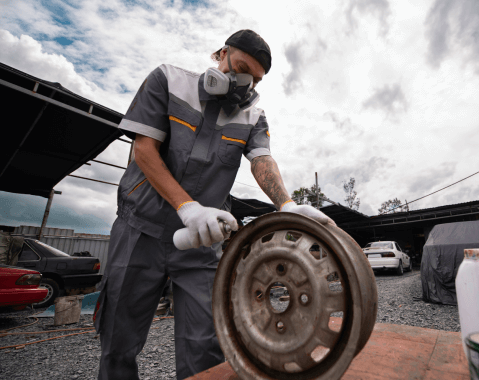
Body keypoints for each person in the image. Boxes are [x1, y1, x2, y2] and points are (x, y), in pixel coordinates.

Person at [94, 29, 334, 380]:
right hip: (139, 232)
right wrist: (187, 208)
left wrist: (286, 204)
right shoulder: (167, 81)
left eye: (254, 78)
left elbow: (261, 160)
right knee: (118, 340)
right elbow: (143, 151)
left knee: (206, 345)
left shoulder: (253, 114)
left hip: (202, 244)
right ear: (220, 54)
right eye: (239, 68)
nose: (243, 83)